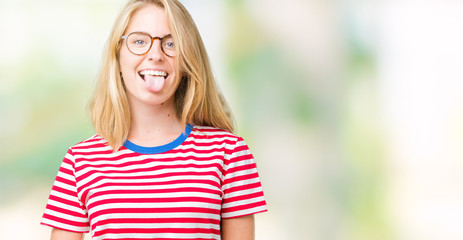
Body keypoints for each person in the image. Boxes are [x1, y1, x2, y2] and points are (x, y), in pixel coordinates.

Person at [40, 0, 267, 239]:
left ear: (187, 60)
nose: (155, 55)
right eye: (139, 41)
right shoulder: (80, 161)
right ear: (118, 55)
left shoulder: (228, 152)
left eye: (171, 43)